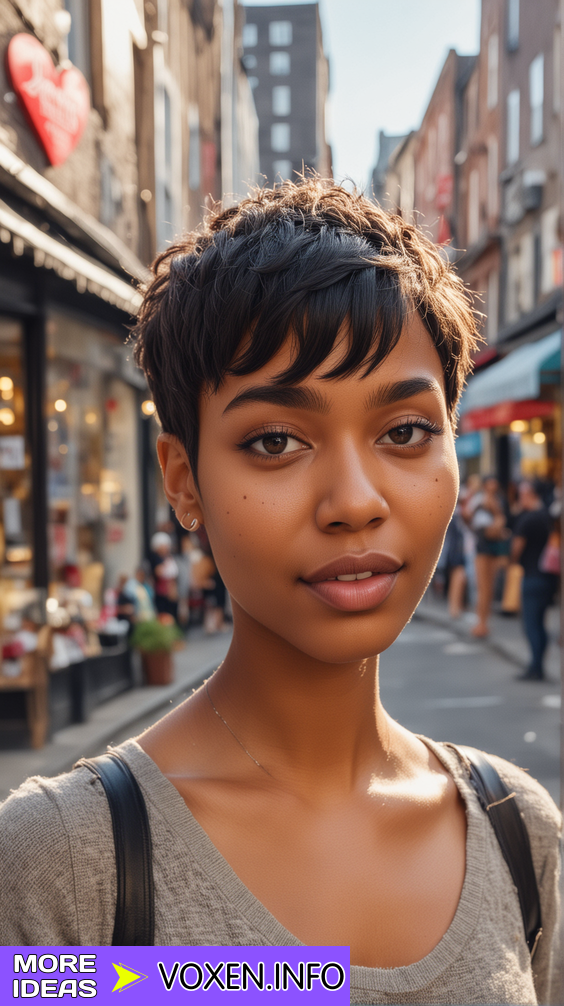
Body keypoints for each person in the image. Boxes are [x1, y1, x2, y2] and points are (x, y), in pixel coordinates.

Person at [0, 180, 560, 1004]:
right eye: (274, 441)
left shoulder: (521, 834)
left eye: (404, 432)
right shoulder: (71, 866)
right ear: (183, 481)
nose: (355, 501)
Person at [511, 479, 559, 681]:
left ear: (529, 493)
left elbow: (516, 549)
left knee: (532, 624)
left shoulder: (527, 519)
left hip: (532, 576)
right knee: (541, 623)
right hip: (550, 577)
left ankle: (536, 667)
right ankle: (537, 666)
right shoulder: (549, 515)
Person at [463, 475, 509, 637]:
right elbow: (468, 518)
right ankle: (481, 622)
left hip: (492, 544)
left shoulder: (498, 500)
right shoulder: (479, 499)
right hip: (482, 542)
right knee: (483, 586)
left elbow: (501, 520)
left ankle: (483, 622)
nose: (492, 486)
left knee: (488, 587)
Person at [148, 530, 179, 622]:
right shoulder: (155, 558)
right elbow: (159, 573)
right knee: (163, 616)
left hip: (171, 590)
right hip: (161, 592)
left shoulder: (168, 557)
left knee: (172, 615)